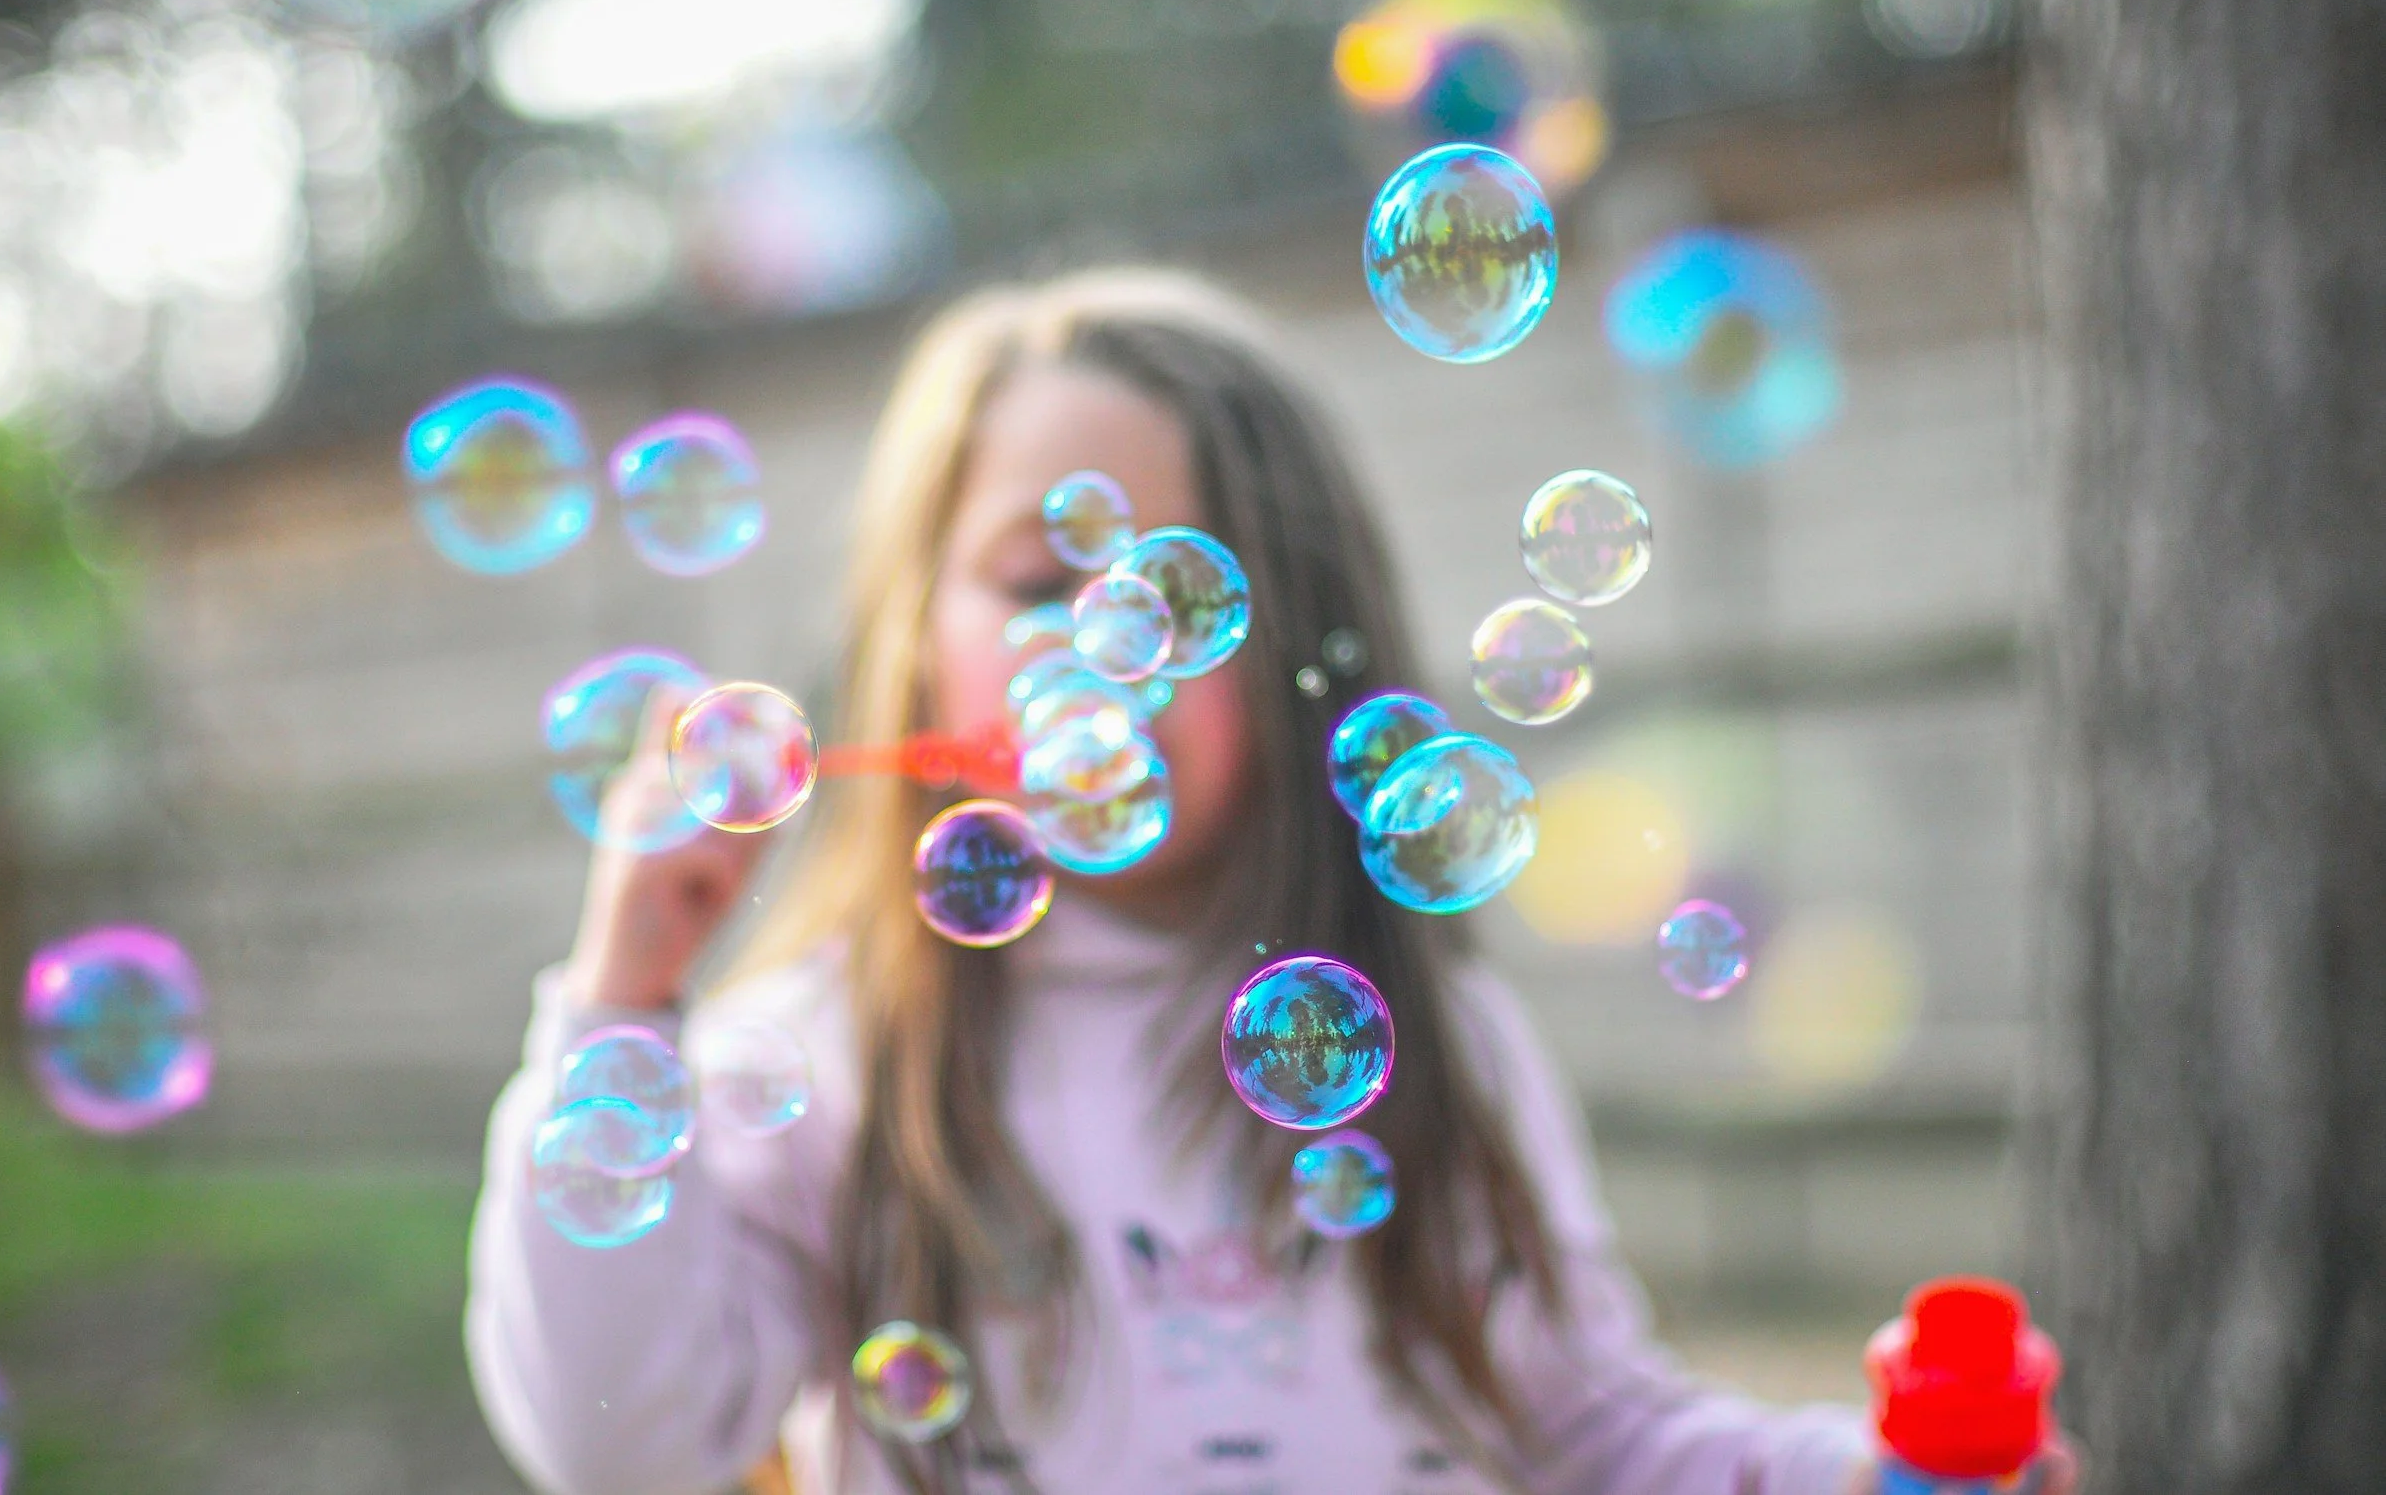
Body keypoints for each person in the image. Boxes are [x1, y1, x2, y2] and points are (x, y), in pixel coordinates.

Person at [465, 269, 2074, 1495]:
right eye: (1040, 581)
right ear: (914, 639)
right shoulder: (818, 1061)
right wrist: (624, 1000)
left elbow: (1592, 1424)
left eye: (1171, 603)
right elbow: (623, 1442)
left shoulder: (1426, 1038)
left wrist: (1864, 1479)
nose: (1102, 651)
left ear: (1295, 648)